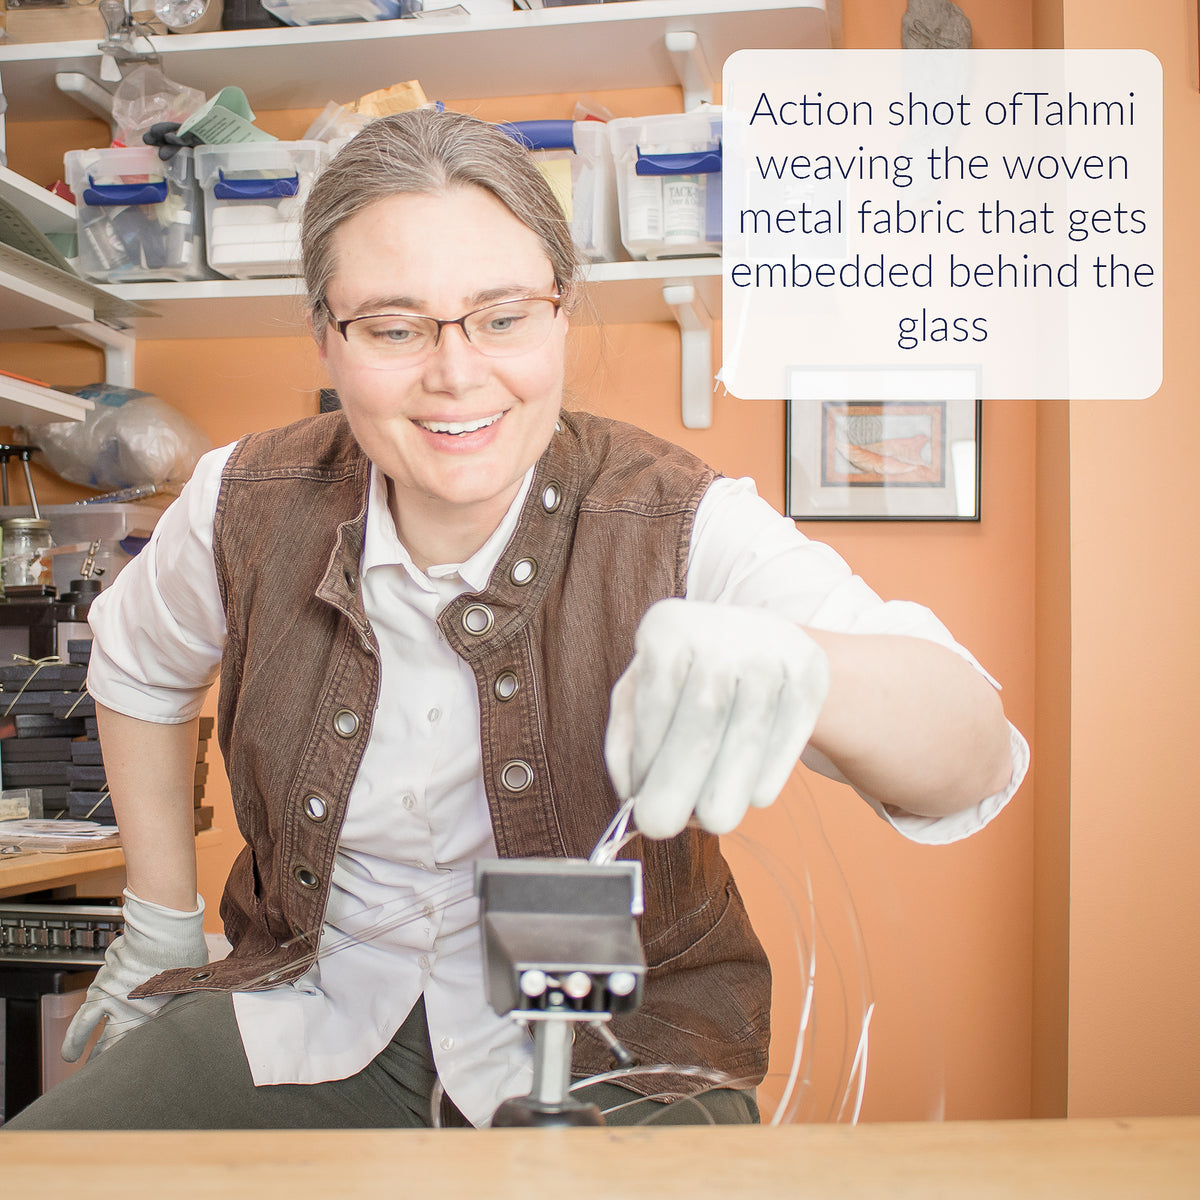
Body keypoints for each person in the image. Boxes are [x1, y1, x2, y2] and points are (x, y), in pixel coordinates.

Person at [4, 109, 1026, 1131]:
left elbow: (975, 759)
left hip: (623, 1048)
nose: (456, 373)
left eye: (502, 316)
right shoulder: (247, 497)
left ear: (562, 311)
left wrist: (812, 665)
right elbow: (137, 666)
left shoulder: (675, 518)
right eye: (395, 327)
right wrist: (159, 921)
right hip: (301, 1007)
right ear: (326, 330)